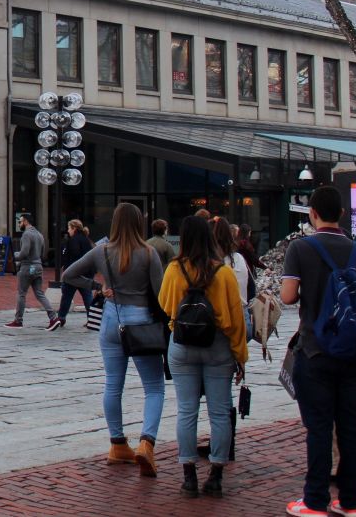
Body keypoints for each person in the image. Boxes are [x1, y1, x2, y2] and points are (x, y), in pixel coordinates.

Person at [63, 202, 166, 477]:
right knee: (154, 386)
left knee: (113, 383)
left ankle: (117, 443)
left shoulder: (102, 251)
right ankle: (147, 442)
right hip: (141, 319)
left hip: (112, 318)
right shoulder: (148, 253)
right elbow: (161, 294)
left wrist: (98, 287)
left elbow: (68, 274)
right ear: (139, 224)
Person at [159, 214, 247, 499]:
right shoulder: (223, 273)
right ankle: (217, 474)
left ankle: (188, 475)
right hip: (217, 345)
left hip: (183, 345)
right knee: (220, 411)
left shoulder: (174, 270)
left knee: (186, 410)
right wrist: (239, 356)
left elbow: (165, 304)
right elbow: (235, 319)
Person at [6, 213, 59, 329]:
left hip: (27, 267)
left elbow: (24, 253)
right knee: (40, 294)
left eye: (20, 222)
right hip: (38, 266)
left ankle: (18, 320)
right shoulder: (40, 235)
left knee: (21, 294)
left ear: (25, 222)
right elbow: (42, 253)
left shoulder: (26, 234)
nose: (19, 224)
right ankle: (53, 318)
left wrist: (14, 255)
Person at [52, 219, 95, 330]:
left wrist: (67, 269)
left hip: (74, 275)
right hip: (86, 274)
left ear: (74, 228)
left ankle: (61, 318)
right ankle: (92, 319)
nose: (68, 230)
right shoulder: (86, 240)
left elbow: (74, 256)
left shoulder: (73, 240)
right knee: (87, 297)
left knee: (66, 296)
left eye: (69, 228)